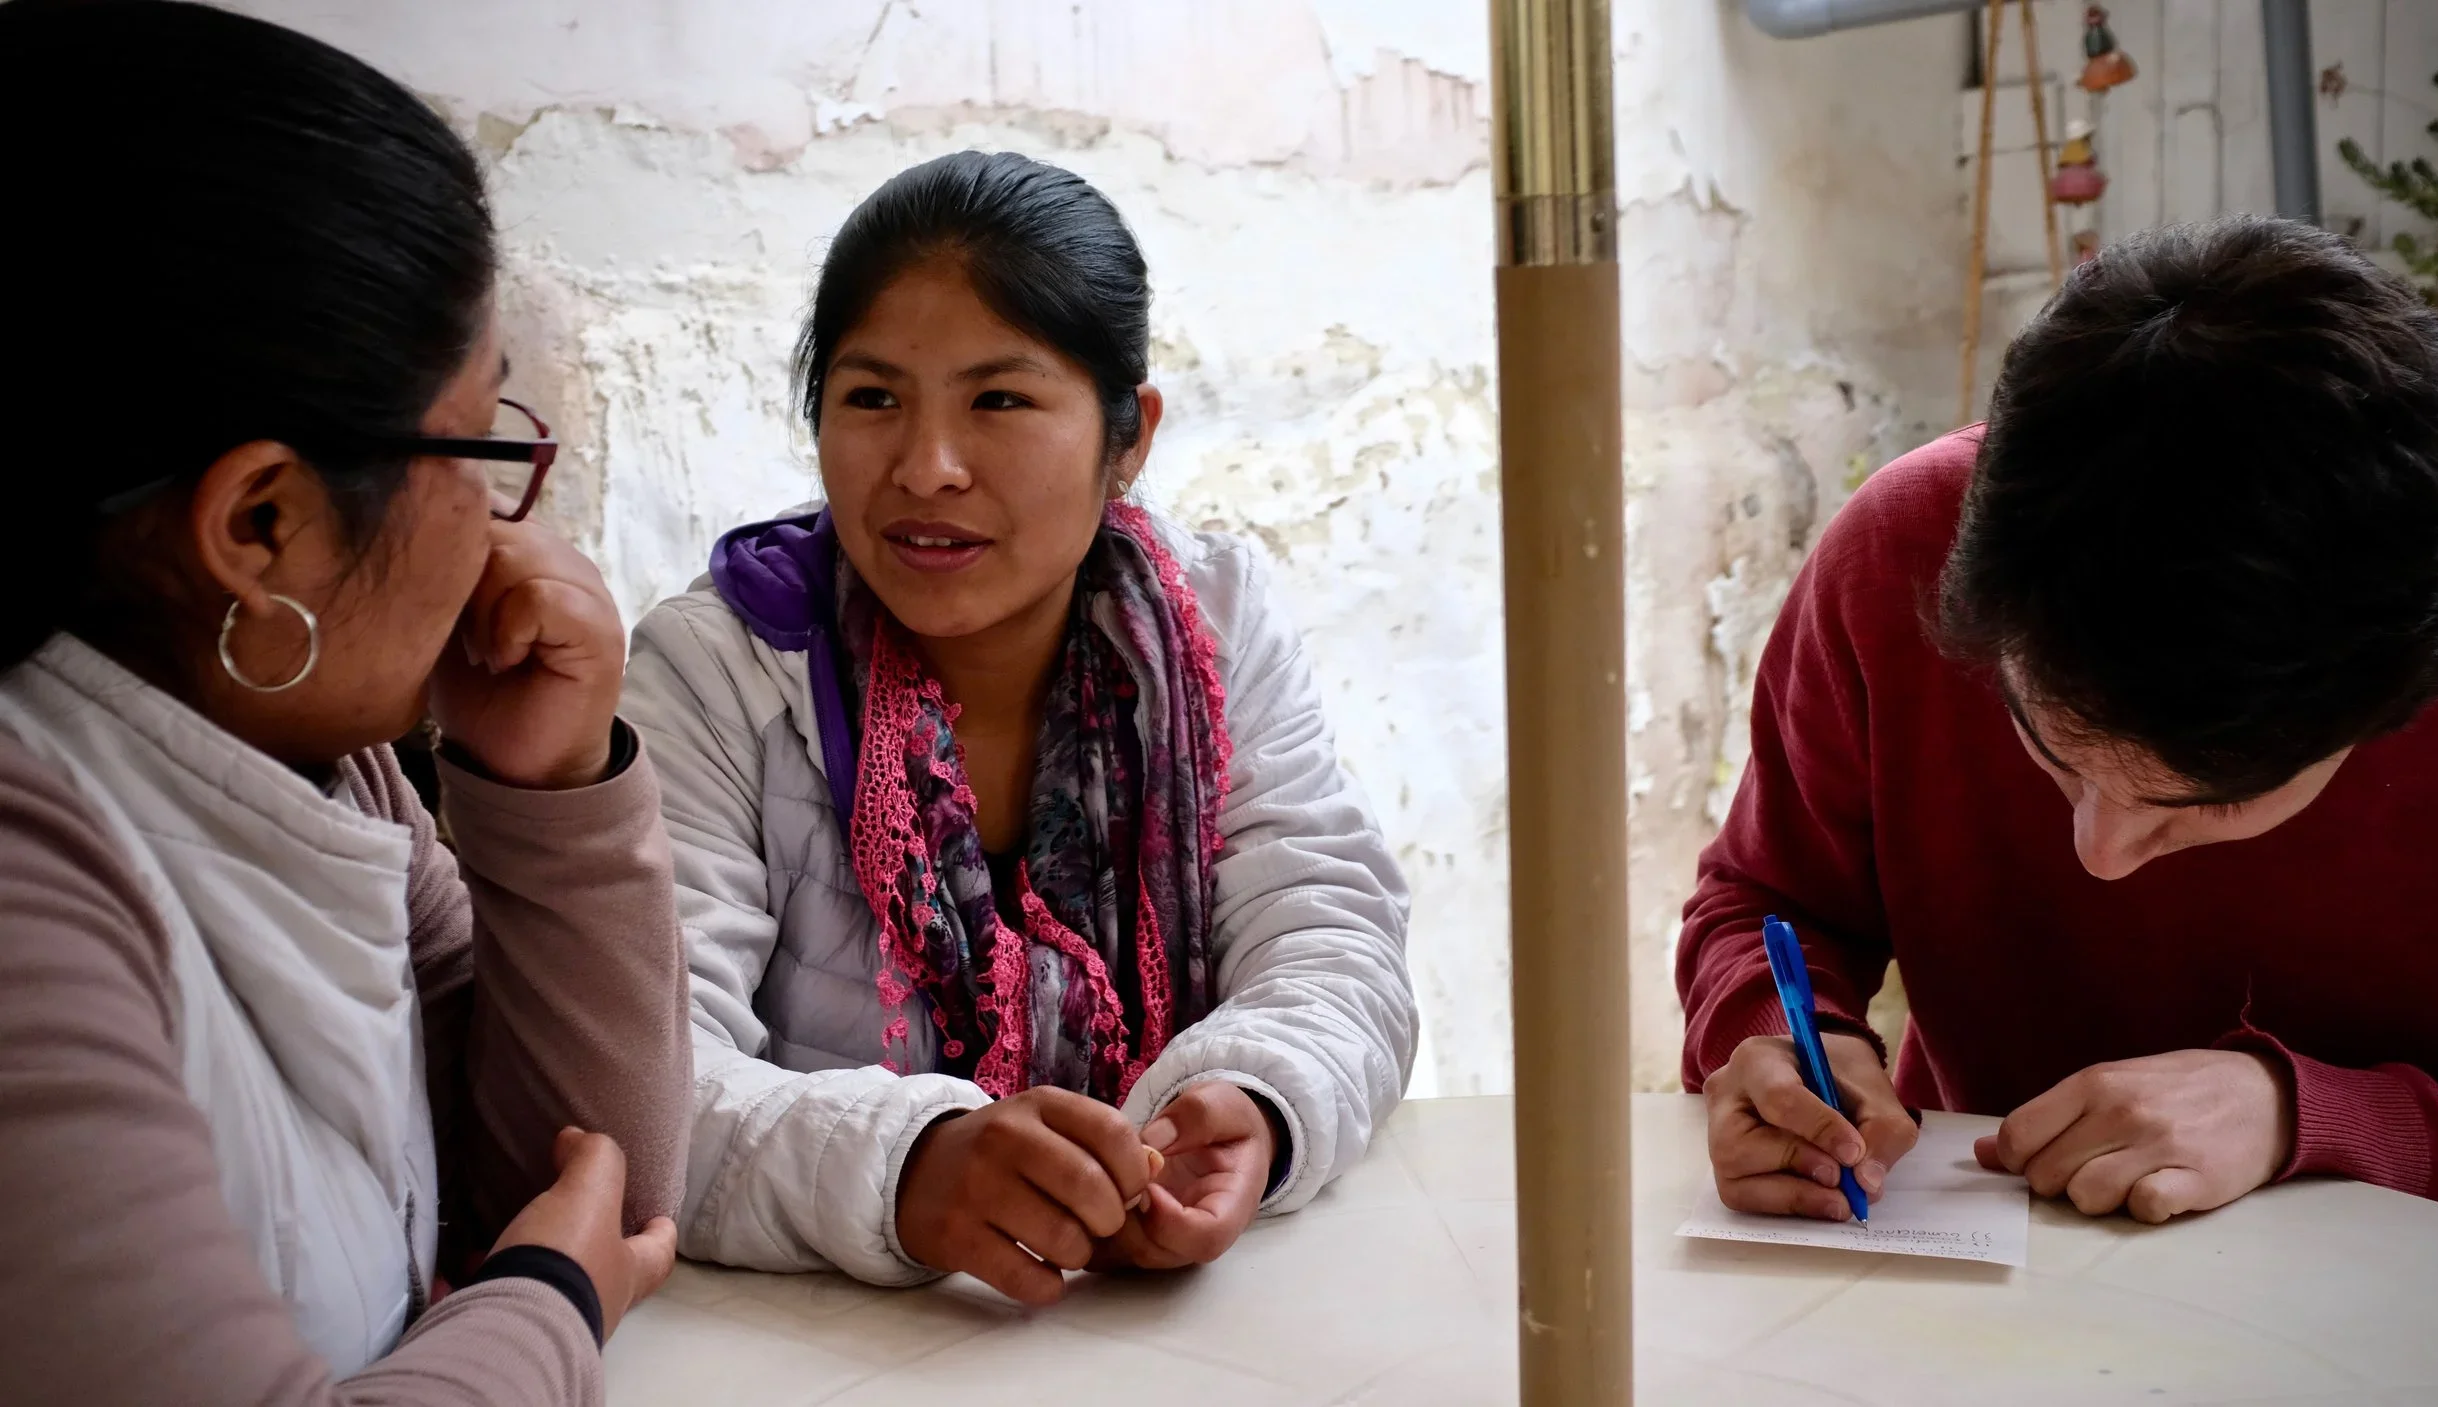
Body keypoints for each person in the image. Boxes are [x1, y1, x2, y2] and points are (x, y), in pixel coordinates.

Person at [0, 4, 690, 1403]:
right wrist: (547, 1306)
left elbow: (585, 1171)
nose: (507, 535)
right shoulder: (29, 878)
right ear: (260, 522)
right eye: (483, 442)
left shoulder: (319, 763)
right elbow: (565, 1246)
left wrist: (551, 790)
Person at [622, 150, 1415, 1304]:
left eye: (998, 400)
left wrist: (1254, 1101)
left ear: (1127, 435)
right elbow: (645, 1076)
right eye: (872, 399)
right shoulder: (719, 668)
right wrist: (911, 1169)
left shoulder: (1215, 624)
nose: (926, 468)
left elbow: (1333, 934)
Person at [1683, 217, 2438, 1227]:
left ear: (2411, 696)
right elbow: (1763, 894)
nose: (2100, 854)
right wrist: (1779, 1039)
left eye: (2202, 804)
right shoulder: (1901, 554)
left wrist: (2312, 1118)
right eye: (2051, 754)